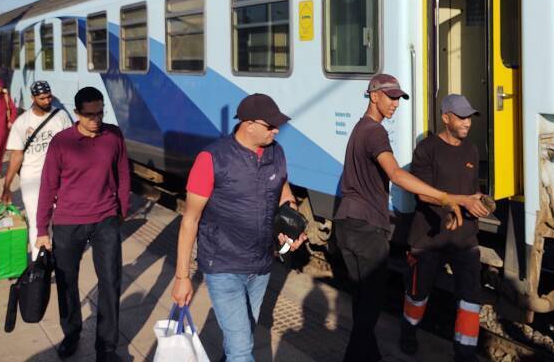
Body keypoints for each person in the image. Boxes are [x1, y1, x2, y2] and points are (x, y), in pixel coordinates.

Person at [333, 73, 466, 362]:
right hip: (367, 229)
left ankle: (372, 357)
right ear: (373, 95)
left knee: (362, 303)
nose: (395, 103)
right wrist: (444, 197)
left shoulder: (359, 129)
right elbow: (395, 173)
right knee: (369, 310)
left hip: (347, 224)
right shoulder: (375, 132)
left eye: (398, 98)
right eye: (391, 97)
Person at [171, 93, 306, 362]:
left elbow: (283, 191)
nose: (276, 131)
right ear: (249, 125)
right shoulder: (212, 158)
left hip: (260, 265)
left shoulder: (276, 152)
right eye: (271, 126)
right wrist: (182, 277)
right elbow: (190, 221)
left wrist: (291, 224)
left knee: (242, 336)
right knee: (242, 349)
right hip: (223, 265)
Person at [35, 87, 130, 362]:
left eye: (100, 112)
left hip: (105, 219)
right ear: (77, 113)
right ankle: (72, 334)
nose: (95, 119)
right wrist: (42, 230)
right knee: (67, 282)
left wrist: (121, 209)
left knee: (111, 282)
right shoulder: (62, 142)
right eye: (89, 115)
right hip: (68, 222)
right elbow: (48, 186)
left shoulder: (113, 136)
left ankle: (107, 347)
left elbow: (123, 173)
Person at [400, 94, 490, 361]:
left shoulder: (472, 150)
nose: (467, 123)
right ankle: (408, 332)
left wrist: (481, 201)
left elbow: (470, 190)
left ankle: (464, 352)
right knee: (418, 294)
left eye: (469, 117)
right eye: (461, 117)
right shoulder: (426, 149)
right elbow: (423, 194)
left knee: (470, 299)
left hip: (464, 238)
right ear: (445, 118)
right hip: (430, 236)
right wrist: (459, 201)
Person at [1, 80, 72, 259]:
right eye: (42, 98)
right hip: (33, 179)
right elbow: (16, 155)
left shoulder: (61, 116)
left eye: (49, 97)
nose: (47, 101)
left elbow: (72, 146)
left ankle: (56, 257)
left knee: (59, 221)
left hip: (59, 178)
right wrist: (7, 186)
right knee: (37, 221)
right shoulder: (22, 122)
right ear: (33, 98)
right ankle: (38, 264)